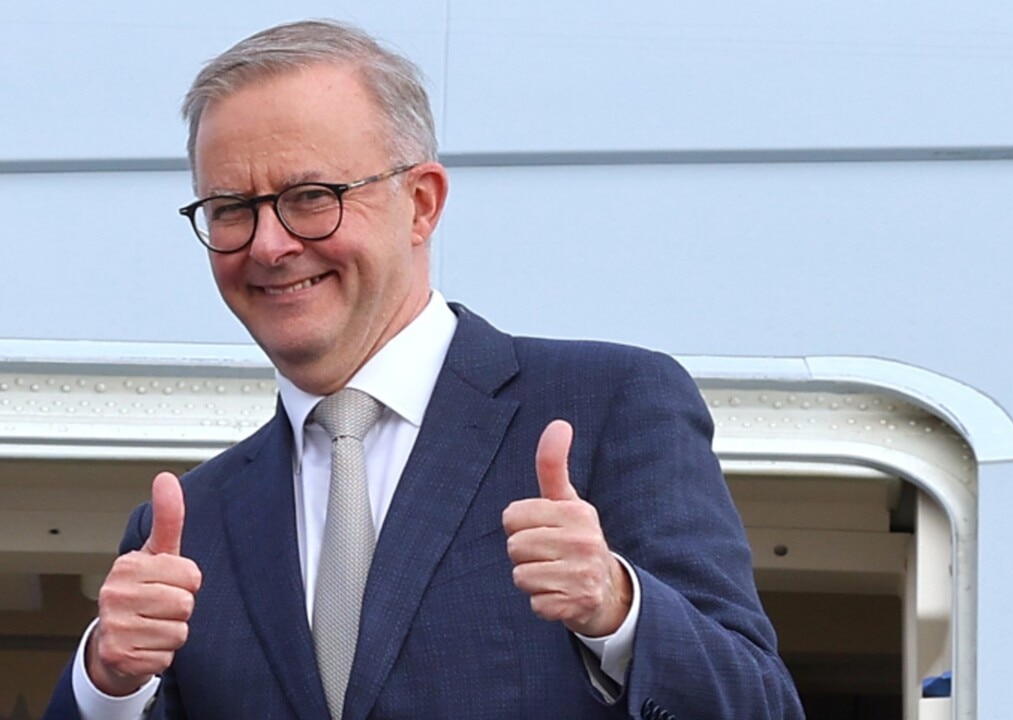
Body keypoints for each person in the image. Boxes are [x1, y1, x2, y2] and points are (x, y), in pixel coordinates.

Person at [44, 19, 803, 720]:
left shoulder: (607, 409)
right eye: (231, 208)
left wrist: (619, 609)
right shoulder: (185, 524)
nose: (269, 244)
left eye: (312, 198)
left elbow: (760, 704)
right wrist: (107, 680)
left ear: (421, 203)